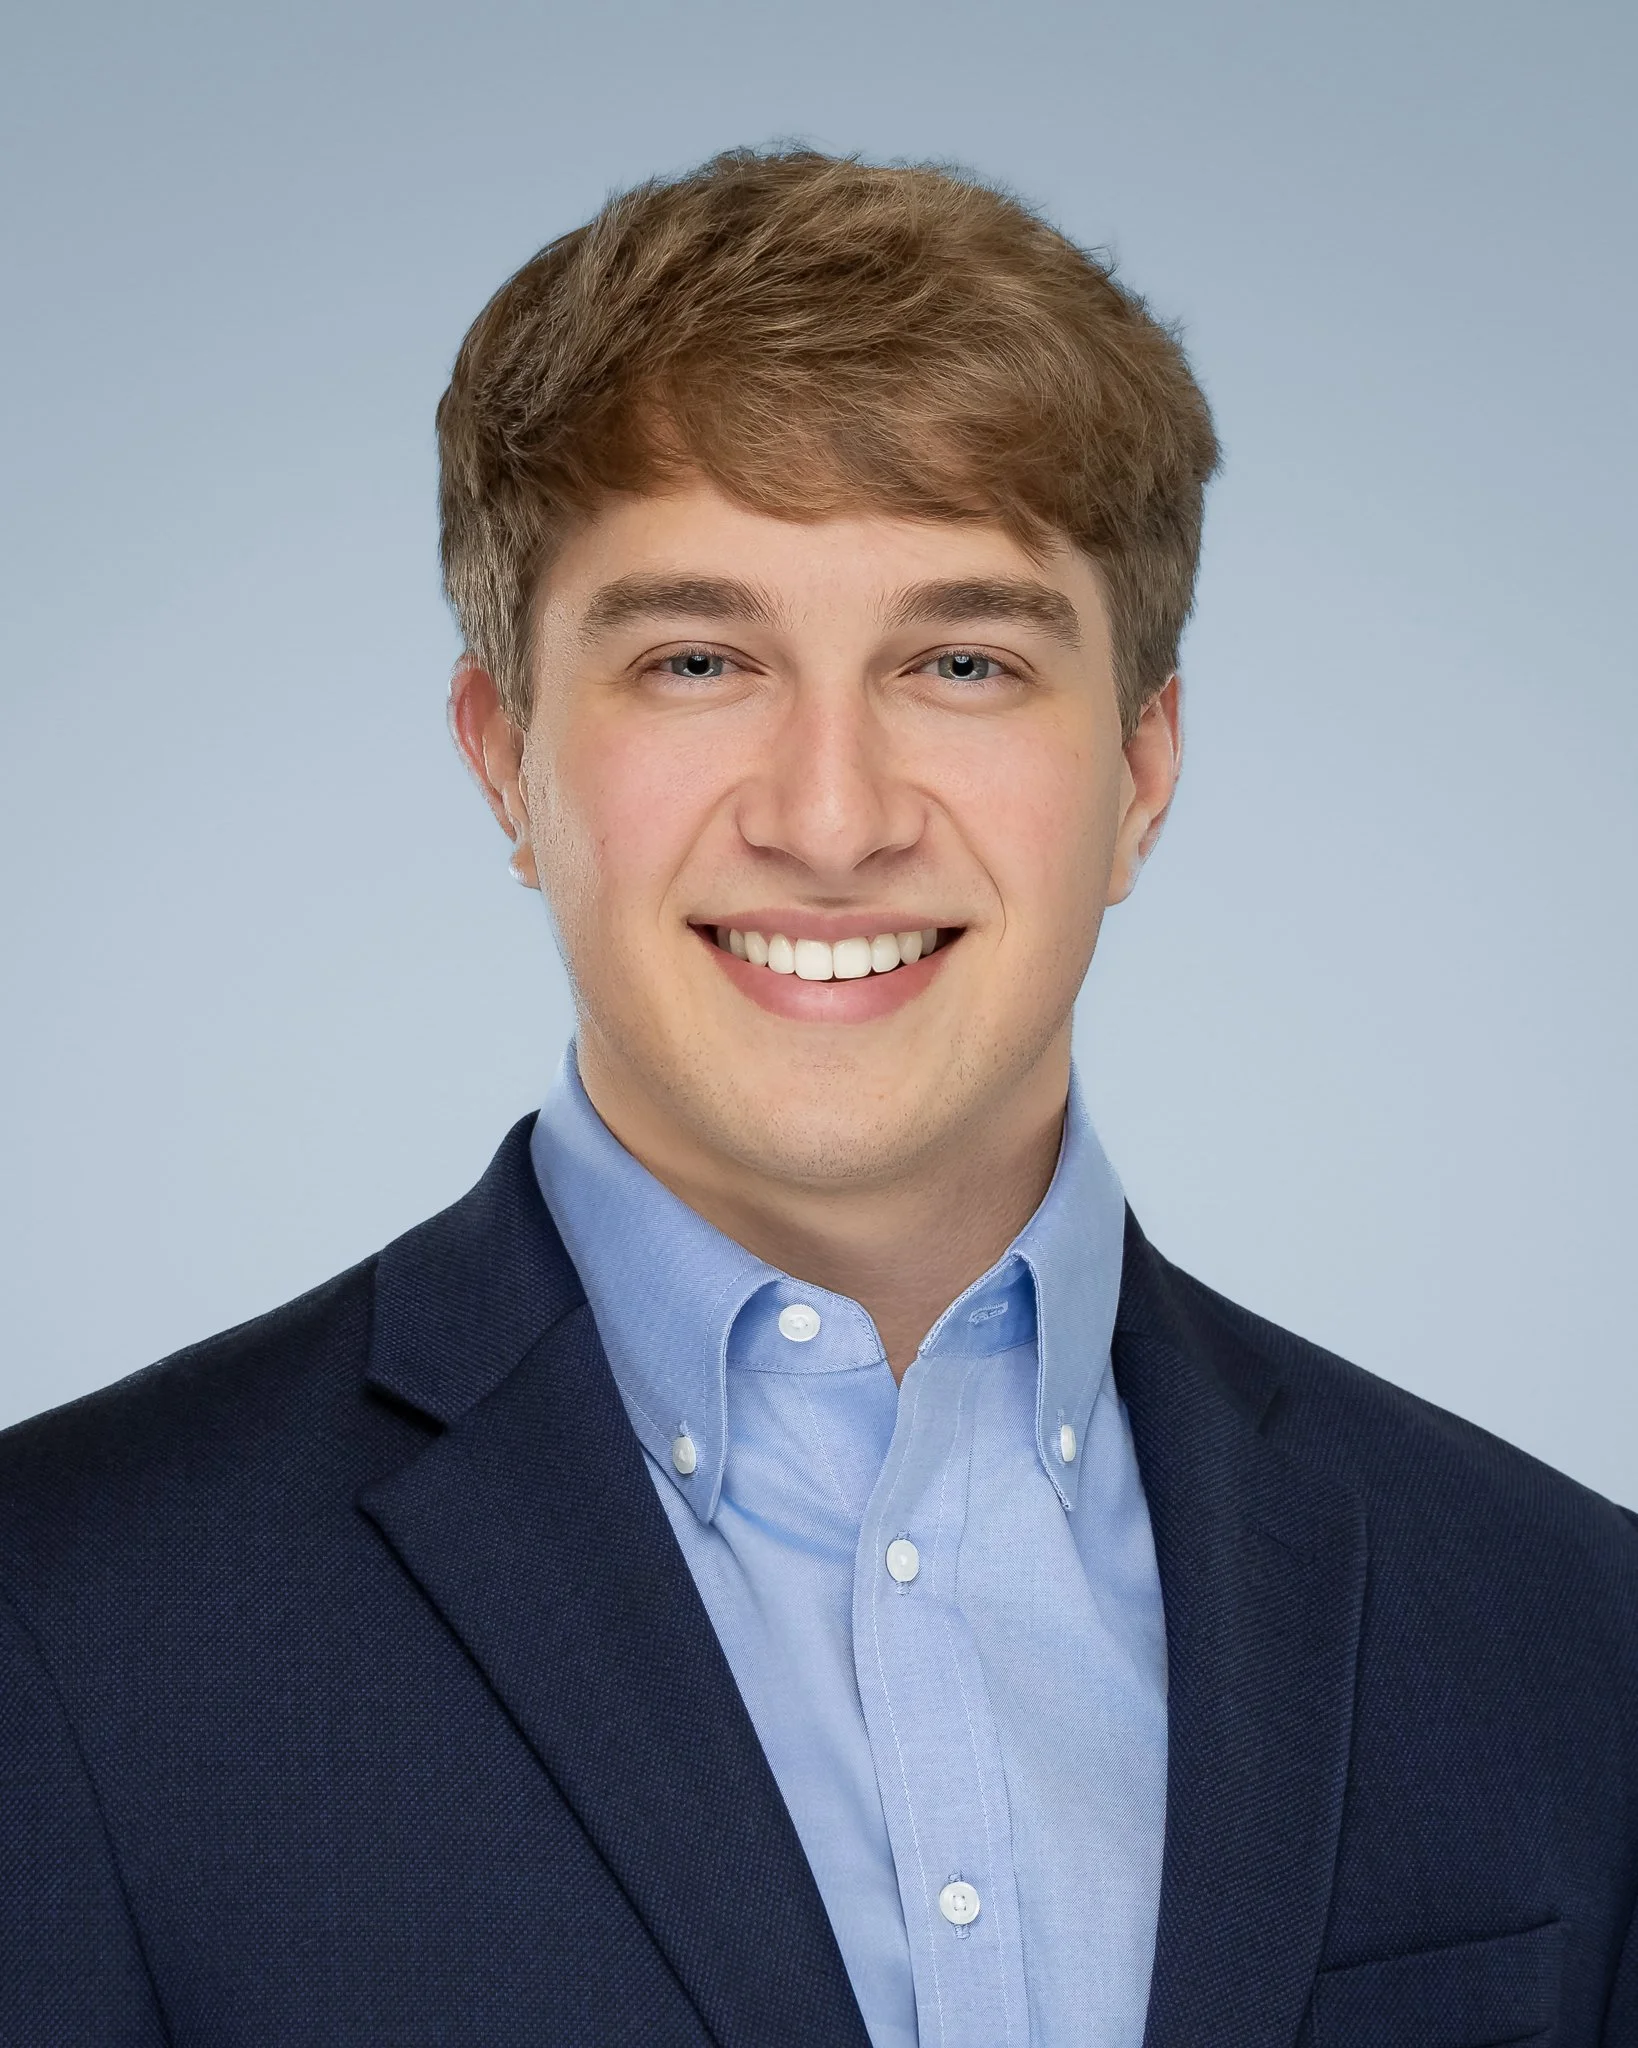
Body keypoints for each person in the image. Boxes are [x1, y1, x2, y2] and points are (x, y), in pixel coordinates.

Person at [1, 148, 1632, 2048]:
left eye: (961, 660)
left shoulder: (1564, 1635)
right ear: (504, 759)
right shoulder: (63, 1628)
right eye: (699, 661)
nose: (832, 817)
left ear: (1143, 769)